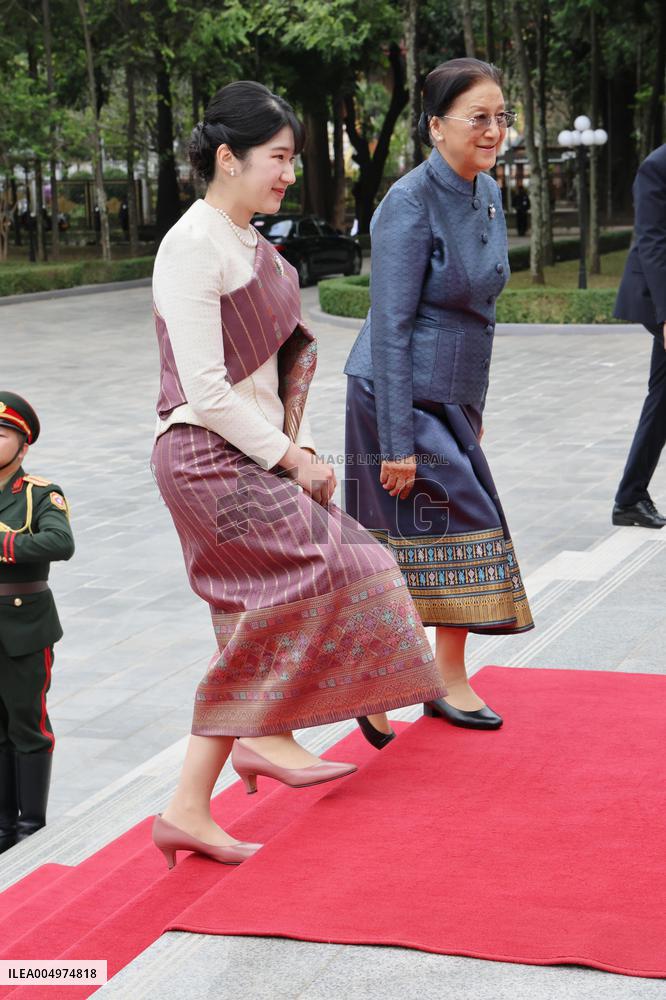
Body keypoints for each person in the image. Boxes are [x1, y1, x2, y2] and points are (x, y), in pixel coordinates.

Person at [149, 81, 446, 870]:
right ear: (227, 157)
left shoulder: (255, 245)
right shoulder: (191, 245)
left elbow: (284, 374)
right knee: (359, 566)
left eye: (291, 159)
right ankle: (263, 735)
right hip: (206, 457)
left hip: (253, 452)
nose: (288, 174)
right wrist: (293, 459)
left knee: (256, 621)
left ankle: (193, 802)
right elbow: (207, 389)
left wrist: (301, 452)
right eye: (278, 158)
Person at [344, 58, 535, 733]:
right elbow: (391, 323)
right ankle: (423, 679)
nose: (493, 130)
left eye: (501, 116)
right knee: (451, 527)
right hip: (395, 394)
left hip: (452, 397)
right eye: (478, 117)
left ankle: (404, 680)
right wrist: (397, 441)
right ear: (435, 126)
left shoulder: (485, 190)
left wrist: (471, 414)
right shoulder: (408, 201)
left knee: (423, 539)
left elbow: (478, 311)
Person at [0, 392, 74, 853]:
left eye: (1, 434)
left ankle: (32, 826)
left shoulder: (39, 493)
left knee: (27, 725)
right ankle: (4, 825)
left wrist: (5, 544)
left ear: (23, 446)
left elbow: (60, 543)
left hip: (23, 626)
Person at [612, 143, 666, 528]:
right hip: (660, 297)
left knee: (662, 399)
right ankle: (629, 498)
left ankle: (630, 498)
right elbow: (653, 244)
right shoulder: (657, 167)